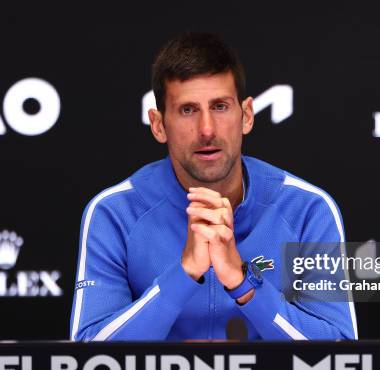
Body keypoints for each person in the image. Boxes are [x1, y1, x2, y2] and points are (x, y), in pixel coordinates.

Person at [70, 32, 357, 341]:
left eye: (220, 106)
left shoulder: (306, 209)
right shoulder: (115, 212)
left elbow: (339, 356)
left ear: (246, 116)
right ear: (158, 124)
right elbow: (87, 361)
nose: (206, 130)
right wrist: (184, 273)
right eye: (187, 110)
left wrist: (243, 283)